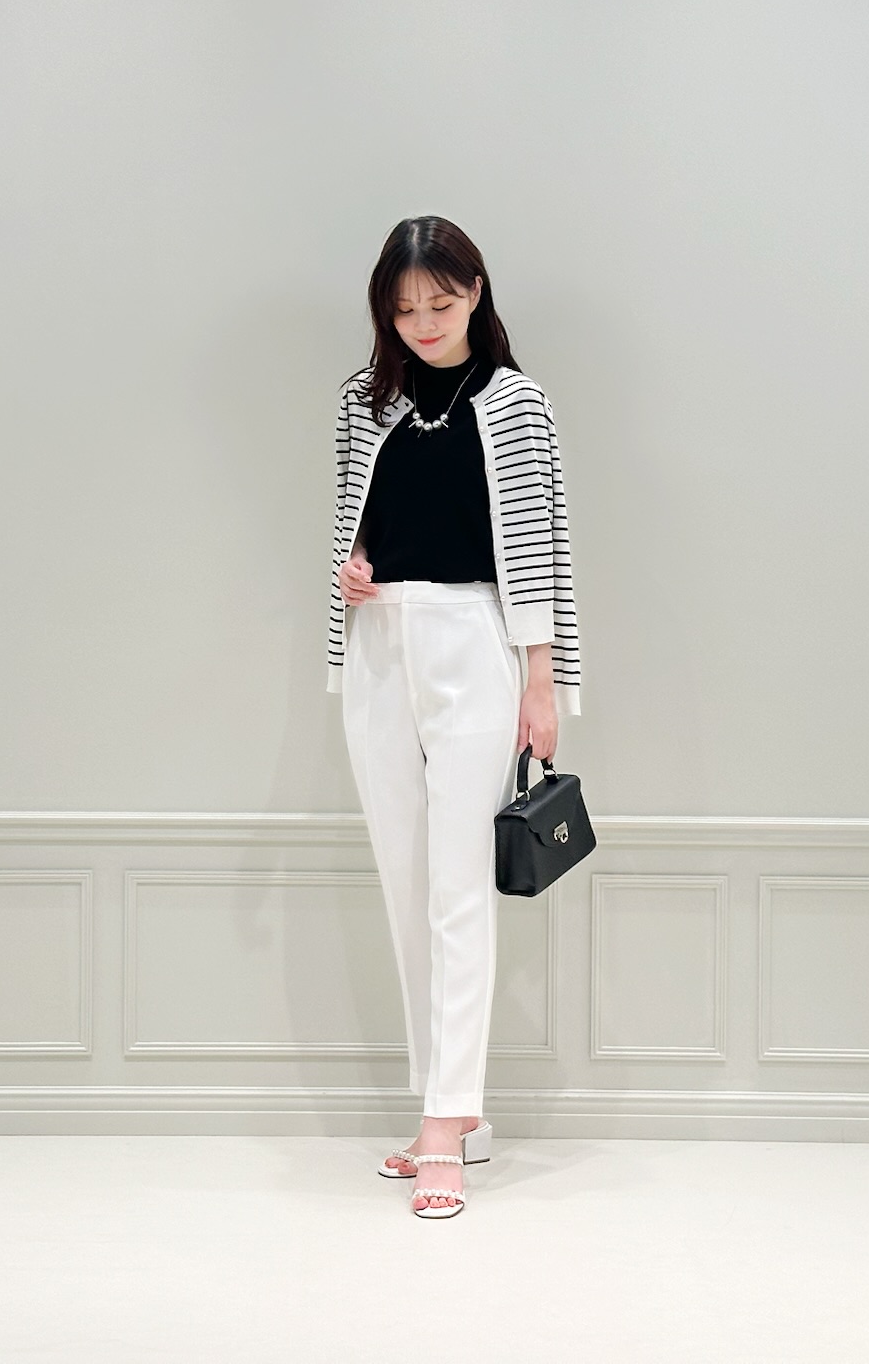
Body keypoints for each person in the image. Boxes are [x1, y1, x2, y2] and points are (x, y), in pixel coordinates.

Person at [326, 215, 583, 1218]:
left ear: (476, 292)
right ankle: (448, 1107)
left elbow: (545, 549)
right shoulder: (362, 403)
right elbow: (357, 531)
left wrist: (542, 684)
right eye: (405, 309)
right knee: (405, 882)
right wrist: (351, 573)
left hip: (477, 640)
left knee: (458, 888)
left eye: (441, 302)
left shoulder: (518, 405)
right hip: (379, 643)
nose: (425, 323)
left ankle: (445, 1121)